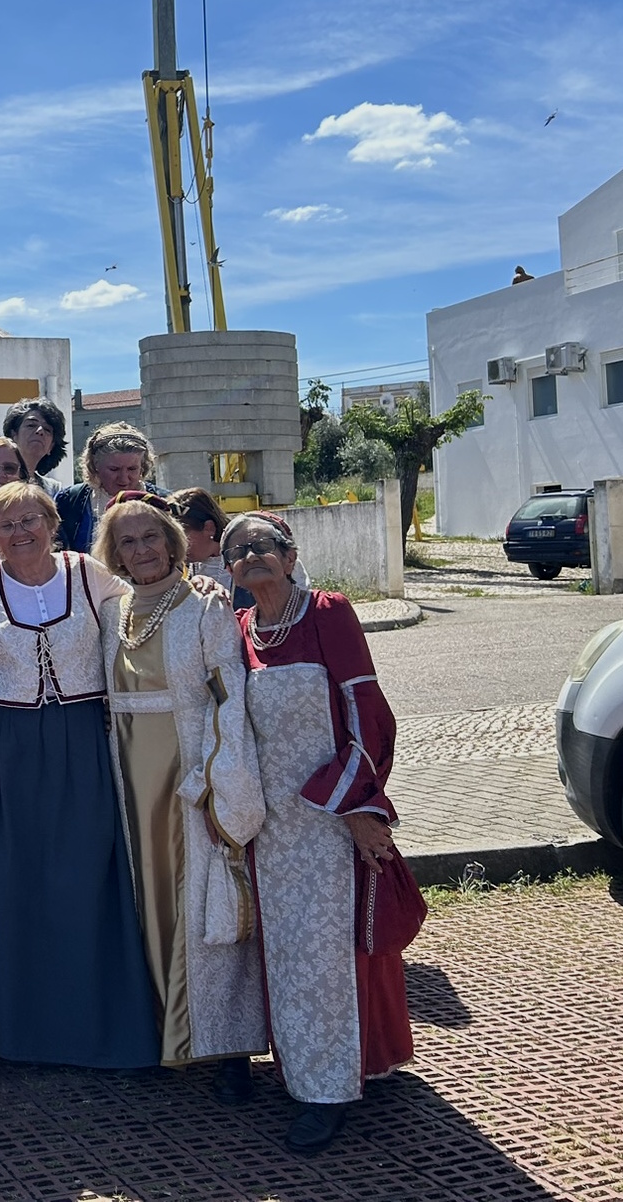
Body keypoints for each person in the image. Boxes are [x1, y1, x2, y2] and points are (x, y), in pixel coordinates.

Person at [223, 512, 416, 1156]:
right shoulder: (241, 629)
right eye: (236, 551)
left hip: (330, 819)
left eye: (264, 547)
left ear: (290, 554)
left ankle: (328, 1093)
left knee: (329, 954)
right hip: (271, 830)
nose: (252, 557)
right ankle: (307, 1070)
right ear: (228, 572)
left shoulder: (327, 612)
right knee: (285, 953)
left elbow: (367, 710)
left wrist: (361, 806)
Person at [0, 481, 161, 1069]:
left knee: (88, 879)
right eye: (6, 526)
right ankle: (27, 1034)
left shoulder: (90, 575)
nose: (20, 533)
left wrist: (197, 582)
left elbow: (150, 609)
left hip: (85, 746)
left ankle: (101, 1027)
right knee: (19, 886)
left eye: (30, 520)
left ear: (52, 521)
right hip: (8, 752)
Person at [92, 493, 267, 1099]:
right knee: (148, 904)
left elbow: (231, 697)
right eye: (126, 542)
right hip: (128, 777)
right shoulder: (112, 609)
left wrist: (218, 781)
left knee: (202, 905)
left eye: (150, 537)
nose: (140, 550)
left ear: (173, 540)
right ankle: (164, 1033)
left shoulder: (206, 607)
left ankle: (225, 1045)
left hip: (189, 776)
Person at [54, 423, 156, 555]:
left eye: (132, 469)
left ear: (143, 466)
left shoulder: (162, 502)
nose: (124, 479)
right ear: (95, 465)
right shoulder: (69, 501)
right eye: (114, 469)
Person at [171, 487, 230, 584]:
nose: (176, 546)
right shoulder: (183, 569)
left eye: (182, 537)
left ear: (209, 528)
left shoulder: (243, 566)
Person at [3, 398, 69, 480]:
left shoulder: (52, 490)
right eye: (31, 425)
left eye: (47, 429)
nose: (40, 431)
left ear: (51, 446)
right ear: (13, 435)